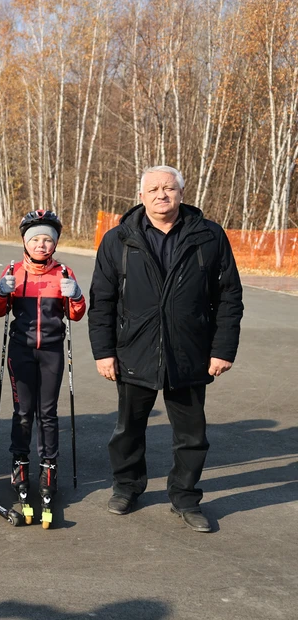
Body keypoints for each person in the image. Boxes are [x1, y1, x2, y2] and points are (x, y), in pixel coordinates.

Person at [89, 165, 243, 532]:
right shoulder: (118, 240)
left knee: (192, 436)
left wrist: (223, 349)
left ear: (181, 193)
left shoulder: (209, 236)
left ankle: (186, 497)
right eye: (154, 189)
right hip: (133, 351)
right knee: (128, 429)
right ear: (140, 196)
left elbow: (229, 297)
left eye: (169, 188)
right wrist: (103, 352)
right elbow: (102, 301)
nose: (162, 194)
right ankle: (127, 487)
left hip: (190, 352)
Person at [0, 210, 85, 518]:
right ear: (25, 242)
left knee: (47, 413)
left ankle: (48, 467)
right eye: (36, 240)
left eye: (48, 240)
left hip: (52, 352)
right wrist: (3, 292)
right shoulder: (14, 270)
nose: (42, 245)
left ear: (54, 244)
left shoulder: (64, 273)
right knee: (22, 412)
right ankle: (20, 464)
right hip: (20, 351)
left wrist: (77, 295)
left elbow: (76, 314)